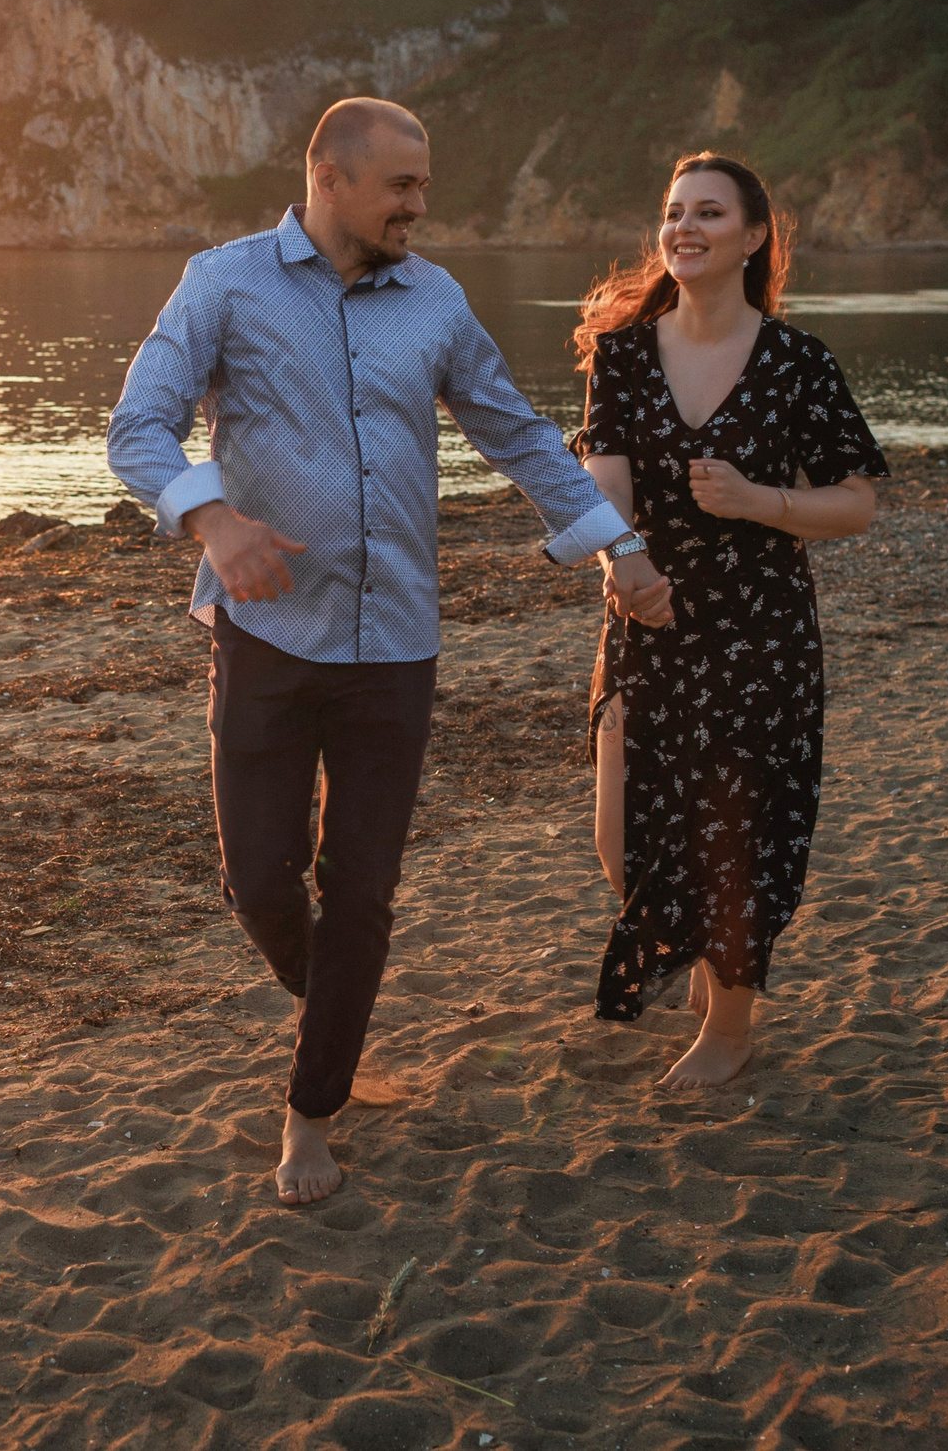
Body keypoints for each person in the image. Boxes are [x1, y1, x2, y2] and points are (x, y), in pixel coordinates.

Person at [107, 97, 672, 1205]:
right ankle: (339, 1010)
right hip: (266, 636)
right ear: (329, 177)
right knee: (257, 883)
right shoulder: (224, 283)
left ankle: (310, 1110)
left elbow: (516, 432)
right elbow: (138, 426)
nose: (419, 205)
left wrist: (622, 545)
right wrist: (215, 523)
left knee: (360, 890)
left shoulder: (436, 298)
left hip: (396, 641)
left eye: (422, 185)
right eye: (401, 186)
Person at [575, 152, 886, 1087]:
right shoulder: (624, 356)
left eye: (708, 213)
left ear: (753, 238)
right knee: (623, 836)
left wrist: (760, 501)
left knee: (737, 832)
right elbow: (603, 483)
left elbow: (857, 502)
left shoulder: (797, 363)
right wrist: (620, 563)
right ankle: (706, 959)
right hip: (649, 618)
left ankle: (730, 1024)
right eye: (674, 212)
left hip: (762, 632)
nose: (684, 228)